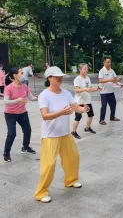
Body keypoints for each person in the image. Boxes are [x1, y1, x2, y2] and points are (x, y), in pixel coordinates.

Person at [35, 67, 88, 203]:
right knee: (49, 164)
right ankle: (41, 192)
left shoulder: (66, 93)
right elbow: (45, 116)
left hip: (65, 133)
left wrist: (84, 109)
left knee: (73, 157)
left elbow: (76, 107)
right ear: (49, 78)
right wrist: (61, 112)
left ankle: (71, 180)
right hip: (50, 135)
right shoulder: (44, 95)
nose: (60, 78)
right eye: (57, 76)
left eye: (61, 76)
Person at [3, 67, 37, 162]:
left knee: (27, 130)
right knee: (12, 134)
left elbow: (31, 98)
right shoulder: (9, 88)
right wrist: (16, 100)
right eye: (21, 73)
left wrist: (38, 97)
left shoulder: (24, 86)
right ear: (15, 75)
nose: (23, 75)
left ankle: (25, 147)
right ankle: (6, 153)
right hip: (10, 114)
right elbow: (6, 101)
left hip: (22, 113)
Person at [72, 63, 100, 139]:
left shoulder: (87, 78)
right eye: (84, 69)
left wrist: (97, 88)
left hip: (87, 100)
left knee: (90, 115)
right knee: (78, 117)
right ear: (80, 70)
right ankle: (73, 132)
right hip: (80, 101)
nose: (86, 70)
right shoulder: (77, 79)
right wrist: (85, 89)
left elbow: (90, 88)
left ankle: (87, 128)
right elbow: (76, 90)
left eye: (87, 69)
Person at [98, 57, 121, 125]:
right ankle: (101, 120)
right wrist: (109, 80)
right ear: (104, 63)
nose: (109, 63)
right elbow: (100, 80)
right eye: (107, 62)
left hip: (111, 91)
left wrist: (118, 79)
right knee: (104, 106)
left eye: (110, 62)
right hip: (104, 92)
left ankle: (112, 117)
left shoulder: (112, 70)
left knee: (113, 104)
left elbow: (115, 78)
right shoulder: (102, 71)